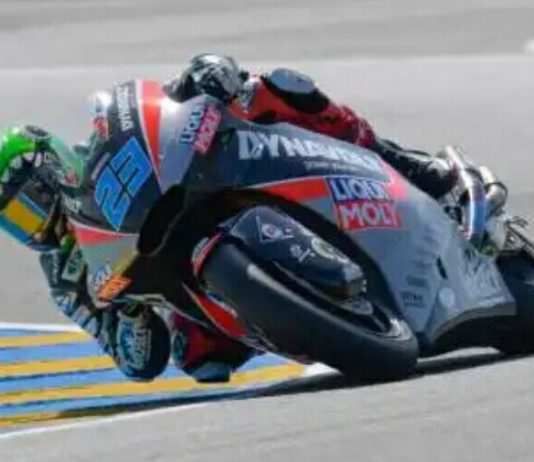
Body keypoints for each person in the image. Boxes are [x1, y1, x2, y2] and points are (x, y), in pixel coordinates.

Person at [0, 54, 456, 384]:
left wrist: (199, 78)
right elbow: (137, 363)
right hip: (184, 283)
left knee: (271, 89)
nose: (32, 225)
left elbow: (157, 108)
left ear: (50, 169)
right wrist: (130, 310)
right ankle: (306, 321)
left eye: (28, 205)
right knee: (197, 359)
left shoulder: (99, 145)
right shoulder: (65, 281)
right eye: (15, 223)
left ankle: (403, 163)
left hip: (202, 185)